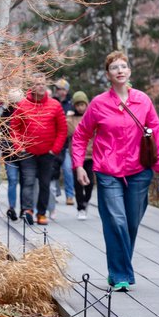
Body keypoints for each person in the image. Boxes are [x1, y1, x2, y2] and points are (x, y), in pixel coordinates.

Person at [72, 51, 159, 291]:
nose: (120, 70)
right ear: (108, 75)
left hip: (139, 170)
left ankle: (117, 269)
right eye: (115, 68)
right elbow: (81, 134)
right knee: (116, 221)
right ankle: (122, 274)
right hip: (108, 170)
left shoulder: (143, 101)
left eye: (124, 66)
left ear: (129, 72)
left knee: (131, 223)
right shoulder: (99, 104)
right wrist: (79, 164)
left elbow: (155, 132)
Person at [10, 74, 68, 226]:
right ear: (32, 87)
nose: (40, 86)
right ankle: (27, 211)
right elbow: (14, 127)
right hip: (27, 152)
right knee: (28, 182)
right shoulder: (22, 105)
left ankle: (41, 213)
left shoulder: (55, 105)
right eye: (37, 84)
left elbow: (62, 130)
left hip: (47, 153)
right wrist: (19, 147)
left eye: (42, 83)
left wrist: (54, 150)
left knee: (44, 184)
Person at [66, 90, 94, 220]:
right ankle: (80, 208)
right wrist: (68, 117)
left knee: (90, 182)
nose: (80, 108)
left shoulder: (92, 116)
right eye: (78, 105)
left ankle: (86, 201)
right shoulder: (71, 119)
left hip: (91, 155)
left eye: (83, 105)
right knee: (78, 183)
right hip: (77, 157)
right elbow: (71, 131)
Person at [2, 87, 25, 221]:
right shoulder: (5, 114)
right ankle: (12, 207)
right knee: (12, 180)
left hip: (23, 153)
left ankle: (24, 208)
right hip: (9, 153)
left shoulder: (26, 112)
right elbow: (1, 133)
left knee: (24, 181)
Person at [51, 78, 76, 205]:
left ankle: (70, 195)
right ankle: (54, 193)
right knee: (52, 170)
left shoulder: (71, 105)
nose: (59, 91)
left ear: (66, 91)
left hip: (66, 144)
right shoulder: (52, 102)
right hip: (52, 142)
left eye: (61, 89)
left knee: (68, 169)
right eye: (57, 89)